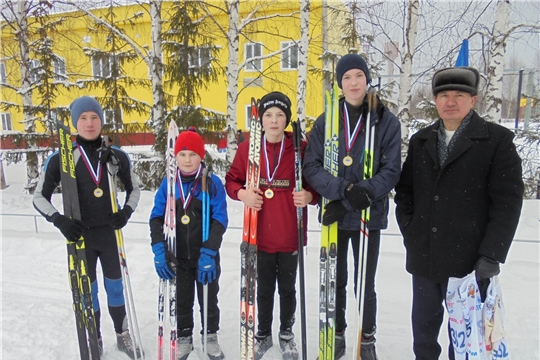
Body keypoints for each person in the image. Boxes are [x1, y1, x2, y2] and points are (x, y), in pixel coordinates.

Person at [394, 67, 524, 359]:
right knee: (424, 334)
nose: (450, 101)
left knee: (465, 339)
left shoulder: (496, 141)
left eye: (459, 95)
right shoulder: (421, 140)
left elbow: (507, 204)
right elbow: (405, 193)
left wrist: (491, 255)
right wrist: (412, 231)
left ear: (473, 99)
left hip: (470, 262)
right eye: (443, 95)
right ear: (436, 100)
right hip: (425, 257)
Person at [303, 54, 402, 360]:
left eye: (358, 76)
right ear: (340, 84)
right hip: (335, 216)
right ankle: (339, 331)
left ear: (367, 79)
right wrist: (344, 191)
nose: (353, 82)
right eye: (347, 78)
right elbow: (312, 166)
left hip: (368, 216)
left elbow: (391, 170)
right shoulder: (327, 120)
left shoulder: (384, 119)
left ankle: (367, 336)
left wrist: (360, 194)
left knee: (364, 282)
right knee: (336, 279)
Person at [33, 96, 141, 358]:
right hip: (81, 238)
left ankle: (122, 334)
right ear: (75, 123)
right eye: (83, 118)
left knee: (115, 287)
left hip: (109, 235)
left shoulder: (116, 156)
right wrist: (59, 220)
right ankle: (95, 336)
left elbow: (134, 189)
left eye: (94, 117)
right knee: (88, 290)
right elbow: (38, 198)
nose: (89, 123)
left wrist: (126, 212)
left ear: (101, 121)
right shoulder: (62, 158)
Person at [225, 91, 318, 360]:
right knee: (263, 289)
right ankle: (263, 333)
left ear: (287, 120)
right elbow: (231, 181)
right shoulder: (248, 149)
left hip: (290, 234)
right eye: (268, 115)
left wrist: (310, 195)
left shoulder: (301, 148)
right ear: (260, 120)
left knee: (288, 290)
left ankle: (286, 334)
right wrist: (242, 193)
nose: (274, 120)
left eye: (280, 115)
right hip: (259, 235)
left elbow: (316, 183)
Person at [149, 127, 228, 360]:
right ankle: (184, 336)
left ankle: (210, 336)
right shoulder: (169, 183)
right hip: (178, 255)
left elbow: (220, 219)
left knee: (209, 298)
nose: (187, 159)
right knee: (182, 299)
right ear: (175, 157)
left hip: (206, 255)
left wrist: (210, 251)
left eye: (192, 154)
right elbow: (156, 216)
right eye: (182, 154)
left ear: (201, 156)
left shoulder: (211, 183)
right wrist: (158, 249)